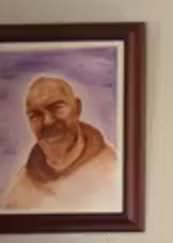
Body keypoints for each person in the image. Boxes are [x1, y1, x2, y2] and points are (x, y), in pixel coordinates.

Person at [2, 75, 120, 211]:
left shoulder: (112, 167)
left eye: (57, 108)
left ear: (77, 108)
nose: (48, 121)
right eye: (35, 115)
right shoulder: (19, 188)